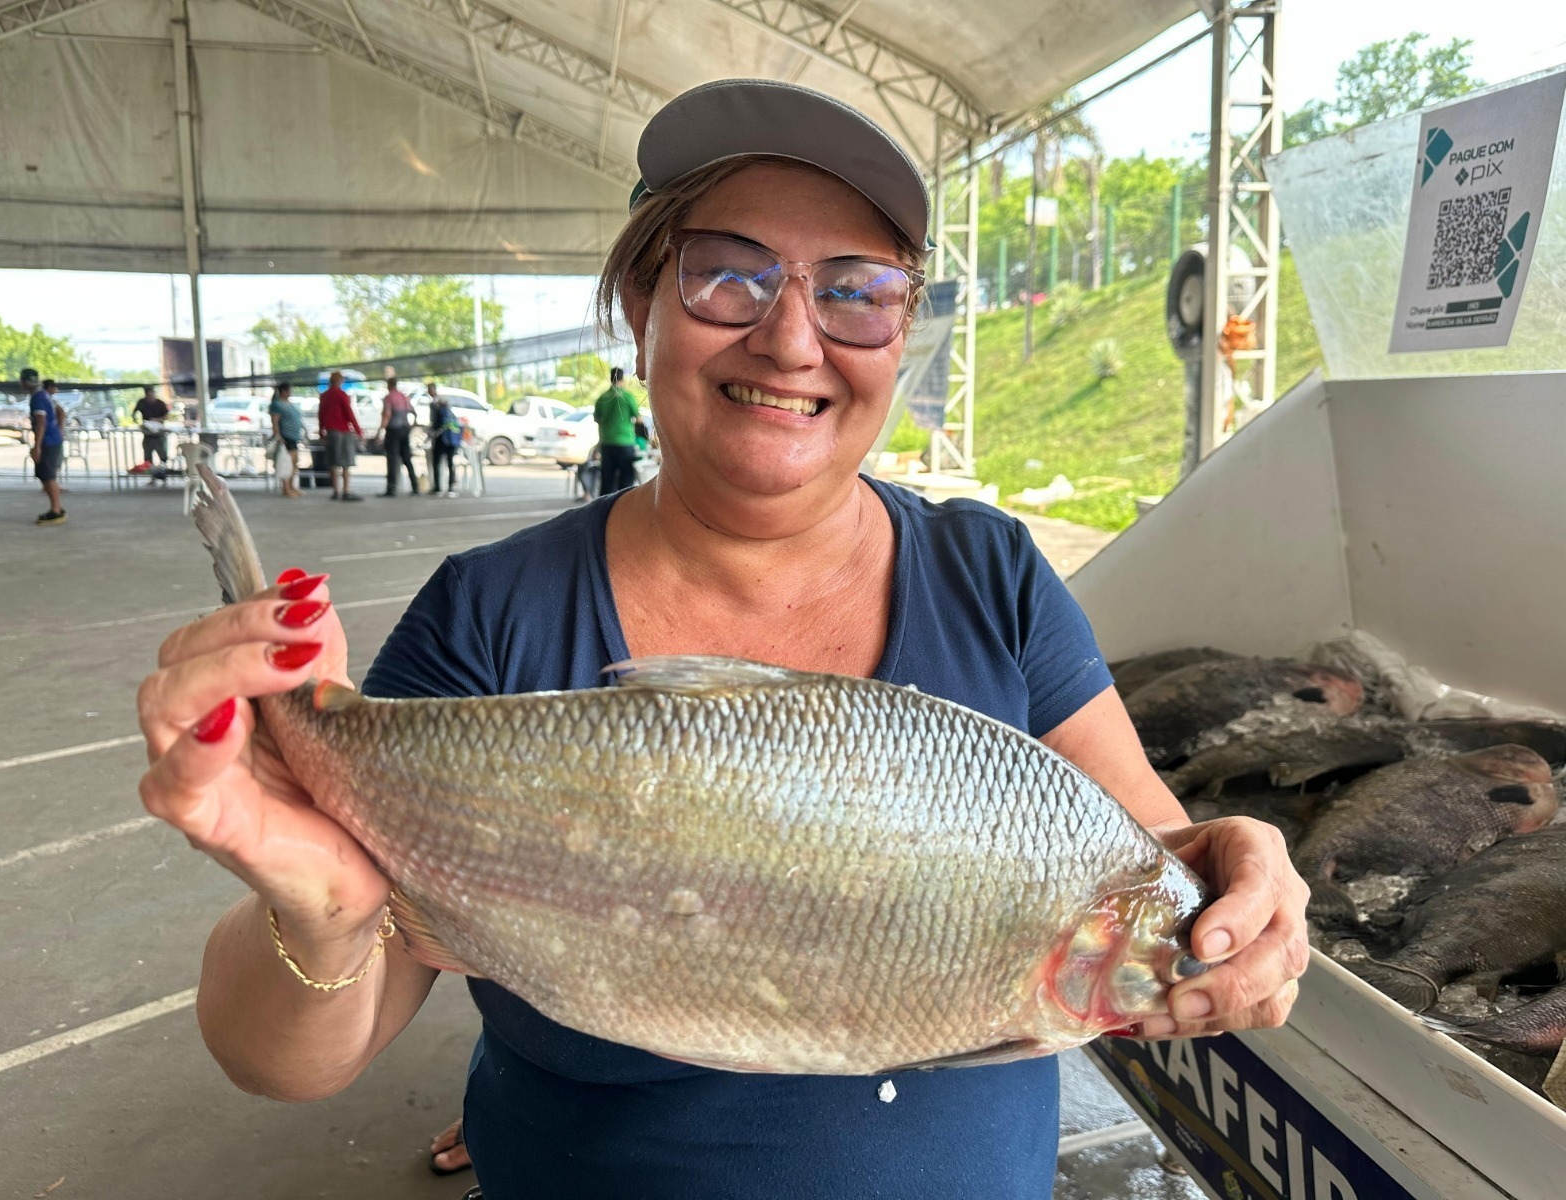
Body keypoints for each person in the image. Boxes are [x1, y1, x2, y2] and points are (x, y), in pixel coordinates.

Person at [135, 80, 1307, 1200]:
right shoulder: (488, 610)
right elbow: (287, 1060)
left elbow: (1144, 845)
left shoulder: (990, 571)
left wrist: (1230, 878)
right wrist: (325, 911)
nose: (791, 340)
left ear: (902, 329)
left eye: (855, 287)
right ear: (639, 304)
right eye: (726, 276)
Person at [23, 367, 66, 525]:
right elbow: (61, 413)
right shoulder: (43, 395)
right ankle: (55, 508)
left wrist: (37, 446)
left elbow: (41, 422)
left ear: (24, 382)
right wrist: (60, 431)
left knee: (48, 477)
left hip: (48, 441)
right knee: (44, 475)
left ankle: (56, 510)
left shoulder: (38, 398)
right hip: (52, 439)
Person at [592, 366, 640, 497]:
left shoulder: (602, 397)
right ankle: (625, 513)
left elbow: (597, 419)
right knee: (626, 484)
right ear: (622, 379)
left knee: (607, 482)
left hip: (607, 443)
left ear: (610, 378)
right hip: (625, 443)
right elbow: (639, 419)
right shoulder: (627, 396)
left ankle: (604, 513)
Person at [317, 371, 364, 502]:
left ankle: (335, 491)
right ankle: (346, 491)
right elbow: (349, 414)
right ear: (339, 381)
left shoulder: (324, 396)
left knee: (333, 462)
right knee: (345, 463)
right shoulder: (342, 395)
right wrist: (359, 431)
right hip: (343, 431)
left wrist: (321, 431)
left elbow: (320, 414)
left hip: (331, 432)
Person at [377, 379, 420, 497]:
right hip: (404, 430)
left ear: (389, 385)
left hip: (393, 431)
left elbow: (387, 414)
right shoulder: (403, 397)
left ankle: (391, 488)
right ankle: (415, 486)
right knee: (407, 458)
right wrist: (412, 425)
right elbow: (414, 412)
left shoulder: (389, 397)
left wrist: (380, 430)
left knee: (392, 459)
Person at [268, 383, 305, 498]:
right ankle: (286, 488)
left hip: (294, 436)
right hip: (286, 437)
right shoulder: (277, 405)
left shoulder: (289, 404)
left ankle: (292, 486)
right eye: (288, 390)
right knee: (287, 463)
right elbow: (275, 422)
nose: (290, 392)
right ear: (283, 391)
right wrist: (278, 436)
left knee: (294, 463)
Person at [425, 382, 459, 498]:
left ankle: (439, 487)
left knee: (437, 462)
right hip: (450, 439)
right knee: (449, 463)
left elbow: (435, 423)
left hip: (441, 438)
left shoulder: (436, 406)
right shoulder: (450, 414)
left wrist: (431, 435)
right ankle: (449, 486)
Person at [134, 385, 171, 484]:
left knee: (162, 455)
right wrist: (139, 423)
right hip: (148, 433)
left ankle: (163, 476)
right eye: (148, 395)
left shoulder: (160, 403)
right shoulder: (142, 403)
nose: (150, 397)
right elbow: (134, 413)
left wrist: (157, 420)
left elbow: (166, 416)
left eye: (151, 395)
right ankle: (152, 477)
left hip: (159, 432)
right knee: (148, 456)